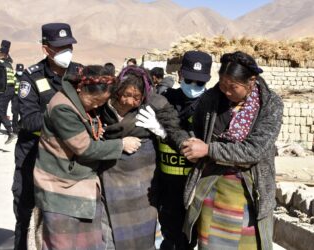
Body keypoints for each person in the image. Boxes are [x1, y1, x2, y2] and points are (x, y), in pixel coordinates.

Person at [181, 51, 283, 249]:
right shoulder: (211, 98)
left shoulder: (270, 105)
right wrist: (192, 145)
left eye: (232, 87)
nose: (226, 91)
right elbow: (198, 129)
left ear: (251, 81)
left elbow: (254, 151)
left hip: (249, 192)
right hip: (212, 188)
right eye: (222, 84)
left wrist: (208, 150)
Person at [33, 65, 141, 249]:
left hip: (81, 186)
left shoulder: (83, 103)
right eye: (95, 101)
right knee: (62, 244)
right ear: (80, 89)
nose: (97, 106)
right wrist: (121, 144)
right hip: (60, 187)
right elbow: (85, 148)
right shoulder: (63, 108)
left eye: (102, 102)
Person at [99, 65, 186, 250]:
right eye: (125, 95)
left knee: (142, 235)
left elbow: (176, 132)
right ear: (117, 89)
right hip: (110, 176)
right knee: (108, 231)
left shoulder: (155, 103)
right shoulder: (103, 100)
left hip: (142, 181)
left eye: (136, 97)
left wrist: (162, 132)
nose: (130, 101)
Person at [12, 23, 81, 250]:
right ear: (46, 49)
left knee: (67, 220)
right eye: (60, 47)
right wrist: (66, 122)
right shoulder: (30, 78)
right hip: (33, 157)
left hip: (69, 161)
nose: (66, 51)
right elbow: (30, 120)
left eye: (69, 46)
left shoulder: (81, 75)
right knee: (26, 215)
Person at [154, 51, 212, 250]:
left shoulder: (211, 106)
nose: (194, 87)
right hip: (165, 183)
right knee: (170, 237)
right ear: (180, 76)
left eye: (200, 83)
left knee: (189, 239)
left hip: (194, 184)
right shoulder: (165, 99)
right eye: (189, 80)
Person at [0, 40, 17, 144]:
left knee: (0, 111)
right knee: (0, 109)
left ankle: (10, 132)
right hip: (10, 90)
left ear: (3, 54)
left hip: (4, 89)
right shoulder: (9, 64)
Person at [11, 63, 24, 134]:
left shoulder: (25, 78)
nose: (20, 71)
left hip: (22, 98)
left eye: (21, 70)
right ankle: (15, 129)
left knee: (23, 114)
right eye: (18, 70)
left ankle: (20, 126)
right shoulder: (13, 78)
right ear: (16, 70)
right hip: (15, 97)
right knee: (15, 114)